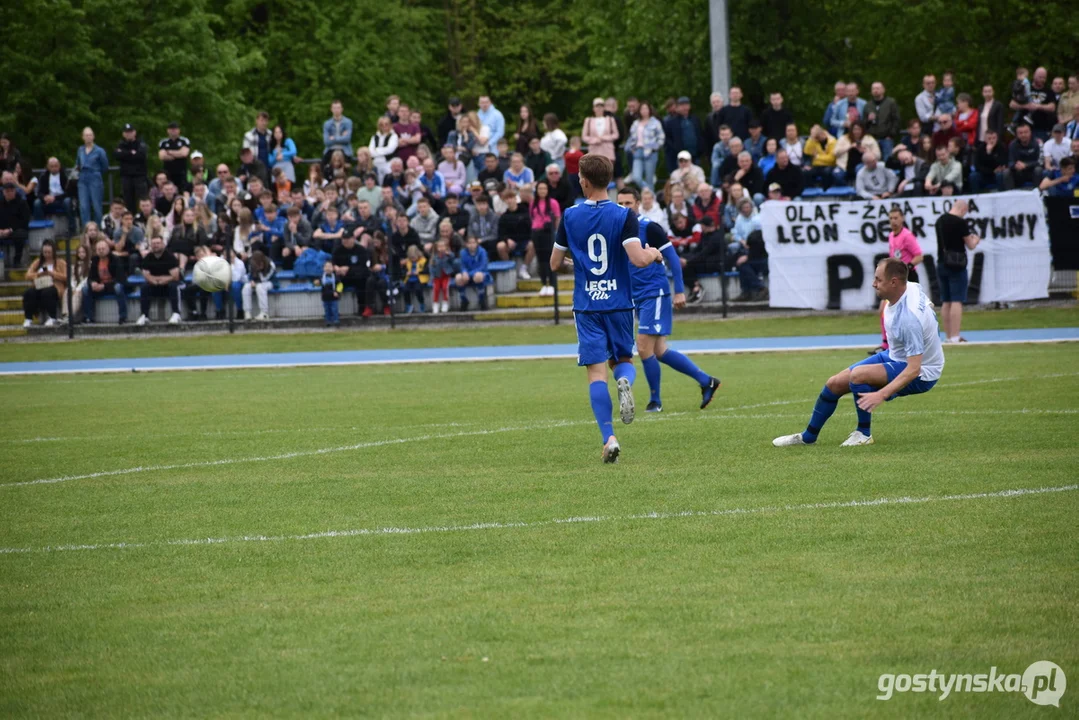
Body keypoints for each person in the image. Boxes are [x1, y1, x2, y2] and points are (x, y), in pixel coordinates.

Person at [549, 154, 663, 463]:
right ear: (609, 181)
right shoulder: (625, 215)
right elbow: (638, 259)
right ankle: (624, 382)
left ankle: (609, 438)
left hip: (587, 306)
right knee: (622, 361)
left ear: (584, 180)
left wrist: (581, 264)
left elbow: (555, 264)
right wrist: (653, 253)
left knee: (595, 373)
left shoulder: (570, 216)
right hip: (618, 304)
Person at [773, 258, 944, 448]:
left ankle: (863, 433)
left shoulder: (909, 319)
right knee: (834, 384)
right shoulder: (909, 287)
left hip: (922, 372)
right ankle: (808, 437)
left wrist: (881, 394)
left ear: (894, 282)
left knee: (859, 376)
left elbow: (914, 369)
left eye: (878, 280)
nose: (873, 284)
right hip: (896, 355)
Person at [616, 186, 719, 413]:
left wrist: (680, 290)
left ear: (637, 204)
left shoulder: (649, 227)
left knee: (643, 347)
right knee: (659, 350)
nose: (624, 208)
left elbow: (672, 257)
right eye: (620, 204)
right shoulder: (617, 231)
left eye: (628, 203)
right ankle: (706, 381)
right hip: (635, 297)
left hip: (654, 293)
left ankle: (655, 401)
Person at [870, 208, 923, 352]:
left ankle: (911, 341)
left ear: (902, 219)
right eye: (891, 218)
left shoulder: (907, 236)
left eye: (896, 218)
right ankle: (887, 344)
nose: (893, 221)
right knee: (884, 309)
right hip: (893, 279)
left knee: (910, 310)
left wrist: (905, 268)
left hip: (907, 278)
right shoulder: (892, 236)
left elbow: (919, 256)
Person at [935, 200, 980, 343]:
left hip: (942, 262)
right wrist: (976, 239)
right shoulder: (960, 223)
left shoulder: (940, 221)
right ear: (963, 209)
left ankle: (948, 336)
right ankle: (955, 336)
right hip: (957, 264)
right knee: (956, 300)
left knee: (946, 301)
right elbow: (970, 245)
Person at [135, 236, 181, 325]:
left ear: (163, 244)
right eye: (153, 244)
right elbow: (146, 275)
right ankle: (144, 315)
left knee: (174, 286)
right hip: (154, 285)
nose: (155, 245)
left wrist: (161, 279)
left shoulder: (170, 257)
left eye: (158, 243)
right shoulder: (148, 258)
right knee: (144, 287)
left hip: (168, 286)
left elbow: (175, 276)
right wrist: (156, 280)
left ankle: (176, 314)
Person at [21, 239, 66, 327]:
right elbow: (27, 275)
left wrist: (53, 274)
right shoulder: (37, 262)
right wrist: (38, 274)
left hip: (54, 286)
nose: (47, 254)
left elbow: (66, 277)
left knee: (48, 292)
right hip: (39, 285)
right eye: (45, 252)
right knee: (28, 293)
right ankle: (28, 318)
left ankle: (52, 317)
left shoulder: (60, 262)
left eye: (49, 252)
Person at [529, 179, 561, 296]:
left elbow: (557, 218)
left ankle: (552, 284)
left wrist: (556, 232)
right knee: (540, 260)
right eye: (540, 188)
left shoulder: (553, 203)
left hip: (548, 233)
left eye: (544, 188)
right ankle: (544, 284)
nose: (542, 191)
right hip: (537, 233)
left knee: (550, 259)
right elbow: (532, 217)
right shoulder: (533, 203)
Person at [625, 102, 664, 191]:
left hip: (650, 152)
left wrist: (655, 147)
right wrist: (632, 148)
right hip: (638, 151)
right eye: (642, 109)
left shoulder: (655, 122)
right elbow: (631, 137)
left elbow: (661, 137)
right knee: (636, 177)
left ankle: (651, 201)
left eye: (646, 108)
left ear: (650, 110)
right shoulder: (636, 123)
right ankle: (648, 192)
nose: (644, 111)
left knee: (649, 179)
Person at [32, 157, 77, 232]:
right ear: (48, 167)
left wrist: (55, 198)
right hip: (48, 201)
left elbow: (69, 193)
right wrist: (44, 197)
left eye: (56, 166)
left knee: (68, 201)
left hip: (61, 200)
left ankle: (72, 228)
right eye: (52, 166)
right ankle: (40, 228)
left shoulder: (65, 176)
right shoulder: (44, 177)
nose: (54, 168)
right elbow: (39, 192)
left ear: (59, 165)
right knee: (37, 203)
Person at [75, 127, 109, 226]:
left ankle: (97, 229)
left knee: (96, 205)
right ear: (83, 137)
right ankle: (86, 230)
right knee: (84, 206)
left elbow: (105, 166)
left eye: (90, 135)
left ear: (93, 136)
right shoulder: (80, 150)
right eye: (86, 135)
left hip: (94, 176)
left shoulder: (99, 151)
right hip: (82, 178)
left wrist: (96, 173)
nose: (88, 137)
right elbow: (78, 163)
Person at [864, 82, 900, 159]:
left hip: (886, 138)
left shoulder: (891, 103)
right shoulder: (868, 105)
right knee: (872, 159)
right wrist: (868, 120)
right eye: (873, 88)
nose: (875, 90)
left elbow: (896, 119)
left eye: (878, 88)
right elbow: (863, 123)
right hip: (872, 139)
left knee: (888, 160)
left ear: (883, 90)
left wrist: (891, 135)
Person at [456, 236, 490, 311]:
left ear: (477, 243)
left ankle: (482, 299)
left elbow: (483, 266)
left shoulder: (482, 251)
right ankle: (464, 300)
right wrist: (464, 272)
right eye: (469, 243)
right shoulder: (463, 252)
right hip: (467, 274)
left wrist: (469, 274)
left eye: (473, 243)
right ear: (466, 244)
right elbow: (462, 265)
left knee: (478, 276)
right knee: (458, 277)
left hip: (481, 273)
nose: (471, 245)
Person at [1005, 123, 1043, 189]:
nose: (1023, 135)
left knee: (1038, 170)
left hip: (1032, 171)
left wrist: (1026, 165)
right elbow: (1010, 162)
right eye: (1020, 133)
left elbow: (1040, 162)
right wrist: (1015, 165)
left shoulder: (1038, 142)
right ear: (1017, 134)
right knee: (1006, 172)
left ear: (1030, 132)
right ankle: (1010, 194)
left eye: (1026, 132)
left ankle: (1037, 193)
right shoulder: (1012, 144)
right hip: (1018, 172)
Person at [241, 250, 275, 321]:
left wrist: (259, 271)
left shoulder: (270, 264)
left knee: (260, 287)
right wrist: (251, 281)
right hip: (256, 282)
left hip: (270, 282)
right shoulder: (252, 263)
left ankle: (264, 313)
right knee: (246, 287)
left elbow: (265, 278)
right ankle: (247, 312)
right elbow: (250, 275)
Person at [158, 122, 191, 192]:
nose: (173, 131)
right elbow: (162, 156)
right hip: (168, 172)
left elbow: (184, 153)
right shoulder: (163, 142)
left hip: (181, 172)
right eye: (171, 129)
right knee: (169, 190)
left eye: (175, 129)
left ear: (179, 130)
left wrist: (169, 152)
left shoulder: (184, 141)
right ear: (168, 130)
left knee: (183, 190)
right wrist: (178, 153)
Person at [429, 234, 457, 314]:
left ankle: (445, 303)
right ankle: (435, 304)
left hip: (446, 276)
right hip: (437, 276)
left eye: (443, 246)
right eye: (439, 247)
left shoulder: (448, 255)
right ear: (437, 248)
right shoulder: (434, 257)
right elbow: (431, 267)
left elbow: (453, 258)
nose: (441, 248)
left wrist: (449, 254)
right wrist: (432, 277)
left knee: (445, 288)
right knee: (436, 289)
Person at [400, 245, 428, 313]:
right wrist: (407, 273)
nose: (412, 259)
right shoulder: (407, 262)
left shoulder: (424, 260)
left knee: (418, 289)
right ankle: (408, 305)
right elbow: (403, 271)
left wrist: (419, 272)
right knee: (405, 289)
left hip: (420, 279)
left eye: (414, 257)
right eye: (411, 258)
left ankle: (422, 304)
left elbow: (426, 271)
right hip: (409, 279)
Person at [321, 259, 341, 326]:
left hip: (333, 297)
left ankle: (336, 320)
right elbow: (317, 283)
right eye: (326, 266)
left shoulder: (335, 277)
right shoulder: (321, 277)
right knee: (327, 310)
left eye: (329, 266)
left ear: (333, 268)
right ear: (323, 268)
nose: (328, 268)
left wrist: (337, 292)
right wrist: (315, 283)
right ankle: (328, 321)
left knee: (334, 309)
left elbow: (340, 285)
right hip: (325, 297)